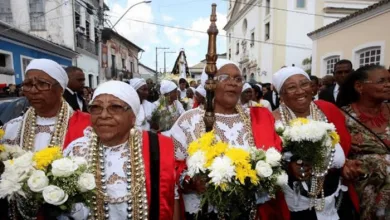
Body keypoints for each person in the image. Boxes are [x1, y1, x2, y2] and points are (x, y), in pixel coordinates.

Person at [171, 59, 289, 220]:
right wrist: (191, 181)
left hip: (252, 212)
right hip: (205, 213)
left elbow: (275, 158)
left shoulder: (258, 117)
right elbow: (170, 166)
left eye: (238, 79)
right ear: (209, 84)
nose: (233, 83)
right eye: (225, 77)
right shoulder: (189, 120)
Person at [64, 81, 175, 220]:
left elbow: (170, 201)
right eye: (96, 107)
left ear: (133, 117)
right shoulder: (76, 151)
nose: (103, 115)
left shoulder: (154, 147)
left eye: (115, 107)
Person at [0, 59, 90, 219]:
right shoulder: (11, 129)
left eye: (42, 84)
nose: (33, 90)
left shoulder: (86, 127)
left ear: (60, 89)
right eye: (28, 84)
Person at [272, 66, 362, 220]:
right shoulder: (271, 120)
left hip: (335, 195)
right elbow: (268, 161)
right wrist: (288, 168)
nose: (300, 91)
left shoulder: (328, 109)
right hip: (295, 203)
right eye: (292, 87)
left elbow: (343, 145)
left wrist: (345, 165)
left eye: (304, 84)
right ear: (281, 94)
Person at [337, 64, 390, 220]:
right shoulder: (342, 116)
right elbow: (335, 154)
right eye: (381, 81)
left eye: (389, 80)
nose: (388, 84)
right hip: (363, 196)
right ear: (360, 87)